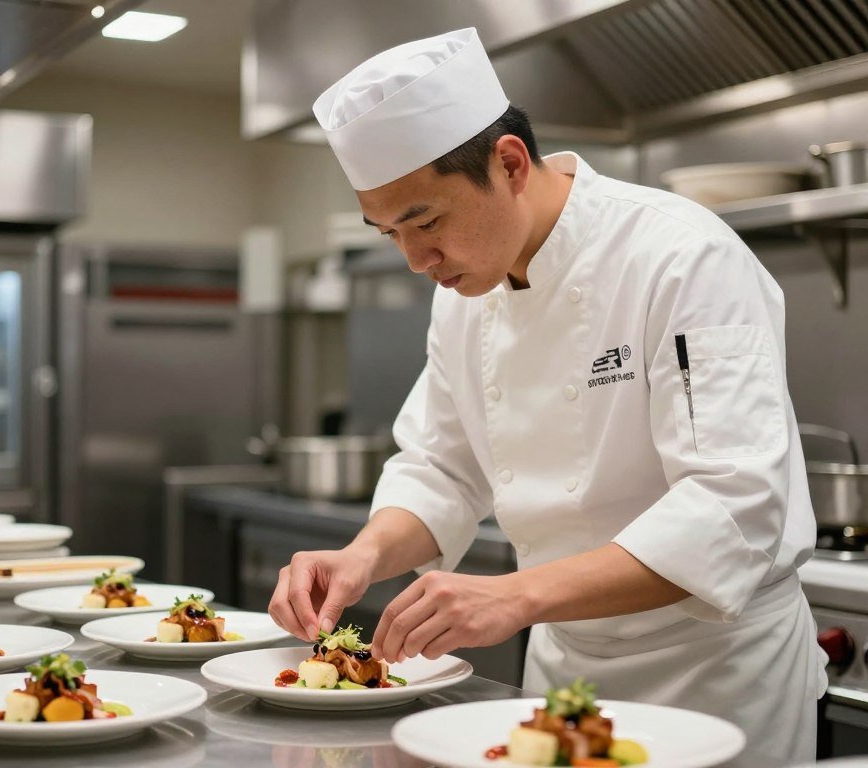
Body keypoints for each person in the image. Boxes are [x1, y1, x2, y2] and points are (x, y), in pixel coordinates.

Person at [268, 27, 827, 762]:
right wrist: (364, 554)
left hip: (718, 675)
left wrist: (516, 594)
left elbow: (733, 507)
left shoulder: (682, 256)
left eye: (426, 221)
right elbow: (442, 468)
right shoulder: (463, 291)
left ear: (509, 164)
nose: (416, 259)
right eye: (388, 233)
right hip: (566, 670)